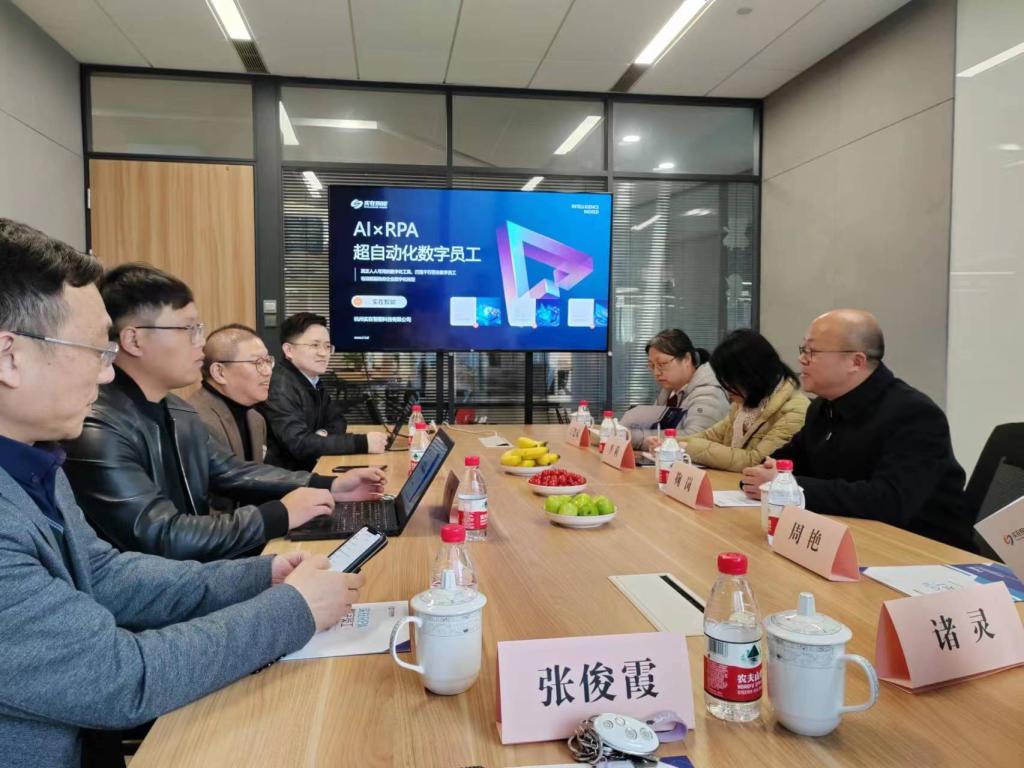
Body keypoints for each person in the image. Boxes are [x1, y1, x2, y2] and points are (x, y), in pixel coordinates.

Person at [0, 219, 362, 768]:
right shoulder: (75, 441)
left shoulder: (36, 461)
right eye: (94, 350)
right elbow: (119, 678)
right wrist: (292, 610)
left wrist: (260, 576)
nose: (106, 374)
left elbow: (103, 573)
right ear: (9, 356)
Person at [63, 265, 386, 562]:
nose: (201, 343)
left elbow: (233, 472)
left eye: (199, 329)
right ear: (134, 340)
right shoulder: (97, 427)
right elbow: (161, 535)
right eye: (188, 329)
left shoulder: (176, 410)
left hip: (197, 574)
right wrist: (278, 515)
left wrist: (330, 484)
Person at [741, 309, 972, 550]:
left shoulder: (914, 415)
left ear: (856, 361)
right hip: (847, 538)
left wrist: (789, 488)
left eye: (812, 352)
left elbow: (889, 500)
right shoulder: (823, 407)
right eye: (803, 350)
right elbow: (788, 462)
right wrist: (765, 474)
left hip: (921, 551)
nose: (802, 360)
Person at [261, 312, 387, 471]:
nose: (323, 353)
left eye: (327, 346)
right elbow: (299, 444)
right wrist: (363, 443)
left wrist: (320, 435)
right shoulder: (279, 387)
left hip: (311, 468)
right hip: (290, 477)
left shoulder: (312, 380)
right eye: (315, 345)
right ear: (289, 350)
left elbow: (338, 420)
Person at [677, 329, 809, 471]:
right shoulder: (744, 404)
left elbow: (756, 461)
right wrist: (670, 443)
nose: (726, 387)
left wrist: (687, 447)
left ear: (751, 375)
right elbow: (711, 435)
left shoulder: (794, 411)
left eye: (729, 379)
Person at [629, 328, 730, 450]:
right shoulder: (669, 390)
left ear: (687, 359)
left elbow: (693, 439)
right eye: (652, 365)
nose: (656, 372)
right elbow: (653, 427)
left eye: (662, 364)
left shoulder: (710, 393)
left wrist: (632, 436)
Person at [191, 323, 273, 464]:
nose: (268, 371)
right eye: (257, 362)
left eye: (267, 361)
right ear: (219, 372)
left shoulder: (256, 419)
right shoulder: (196, 421)